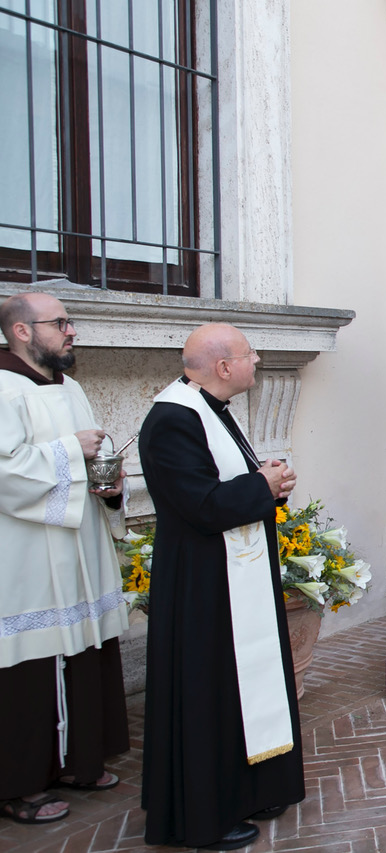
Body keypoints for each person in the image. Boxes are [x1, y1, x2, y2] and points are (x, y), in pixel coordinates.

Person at [139, 323, 304, 850]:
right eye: (250, 354)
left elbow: (226, 482)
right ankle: (202, 816)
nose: (257, 361)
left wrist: (267, 481)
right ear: (224, 366)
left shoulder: (211, 408)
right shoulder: (172, 419)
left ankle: (253, 787)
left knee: (239, 686)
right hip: (201, 582)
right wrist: (262, 485)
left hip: (232, 572)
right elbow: (201, 505)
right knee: (208, 691)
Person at [0, 293, 129, 825]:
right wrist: (72, 450)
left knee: (86, 649)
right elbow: (5, 471)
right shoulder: (3, 388)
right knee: (29, 664)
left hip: (81, 546)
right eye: (60, 322)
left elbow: (90, 456)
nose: (71, 330)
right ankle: (20, 785)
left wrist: (111, 485)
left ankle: (80, 762)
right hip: (25, 552)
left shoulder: (69, 386)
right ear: (22, 331)